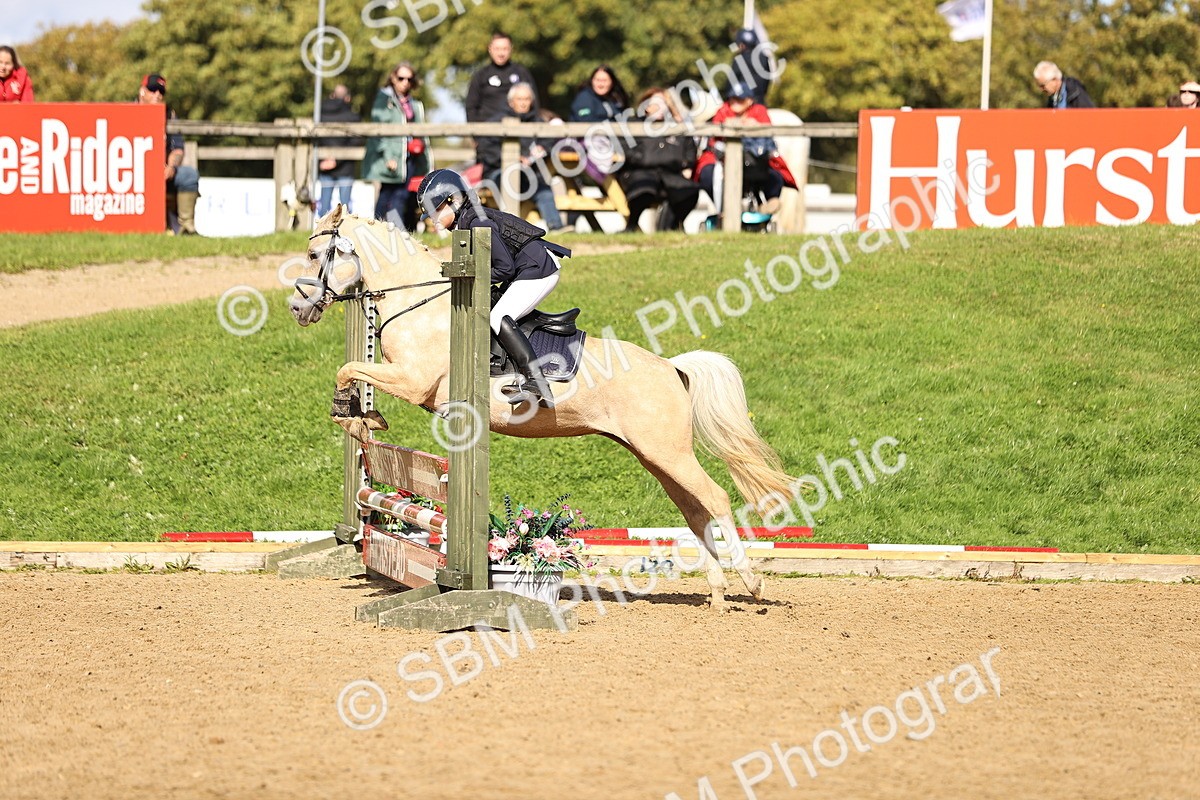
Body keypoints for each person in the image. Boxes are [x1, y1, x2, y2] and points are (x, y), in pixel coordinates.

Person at [415, 169, 570, 408]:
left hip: (539, 269)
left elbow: (504, 268)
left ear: (452, 201)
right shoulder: (466, 221)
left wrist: (470, 278)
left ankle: (536, 381)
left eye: (435, 211)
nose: (431, 218)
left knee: (499, 316)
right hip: (526, 268)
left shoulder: (477, 222)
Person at [476, 82, 569, 233]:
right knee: (508, 181)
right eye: (520, 99)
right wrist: (514, 159)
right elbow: (486, 149)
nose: (523, 103)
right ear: (511, 102)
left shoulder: (538, 122)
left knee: (544, 190)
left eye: (526, 99)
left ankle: (556, 227)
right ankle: (509, 230)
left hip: (528, 175)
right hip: (498, 172)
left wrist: (543, 148)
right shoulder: (496, 122)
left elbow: (549, 142)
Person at [695, 81, 795, 217]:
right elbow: (715, 136)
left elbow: (767, 136)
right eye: (732, 99)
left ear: (749, 101)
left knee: (775, 174)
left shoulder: (759, 111)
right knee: (707, 173)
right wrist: (728, 126)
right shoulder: (723, 111)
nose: (735, 102)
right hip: (722, 159)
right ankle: (725, 209)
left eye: (739, 99)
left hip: (753, 159)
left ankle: (769, 202)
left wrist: (756, 126)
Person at [617, 88, 699, 232]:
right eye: (655, 103)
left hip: (670, 175)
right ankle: (631, 226)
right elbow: (628, 153)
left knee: (688, 190)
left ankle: (670, 227)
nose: (660, 107)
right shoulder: (634, 124)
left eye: (664, 103)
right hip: (640, 175)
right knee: (644, 187)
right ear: (645, 106)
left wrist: (686, 166)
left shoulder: (677, 127)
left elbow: (689, 153)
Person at [362, 62, 430, 227]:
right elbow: (379, 129)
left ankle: (395, 231)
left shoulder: (413, 103)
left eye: (409, 78)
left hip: (409, 157)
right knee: (388, 194)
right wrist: (388, 156)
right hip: (392, 157)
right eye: (401, 78)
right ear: (393, 78)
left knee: (402, 195)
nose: (405, 82)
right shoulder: (384, 99)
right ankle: (380, 228)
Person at [137, 74, 200, 235]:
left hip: (163, 172)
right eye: (152, 90)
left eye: (161, 91)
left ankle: (186, 228)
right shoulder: (128, 111)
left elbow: (177, 148)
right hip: (133, 175)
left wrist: (171, 166)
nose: (157, 94)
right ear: (142, 91)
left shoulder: (169, 114)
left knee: (189, 175)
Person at [465, 32, 539, 122]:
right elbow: (471, 107)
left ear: (511, 49)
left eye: (505, 49)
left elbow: (534, 103)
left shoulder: (521, 73)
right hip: (488, 130)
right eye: (497, 49)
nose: (501, 53)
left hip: (519, 128)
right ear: (490, 49)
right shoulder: (481, 76)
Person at [316, 85, 362, 217]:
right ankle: (344, 235)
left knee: (324, 208)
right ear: (347, 98)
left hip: (324, 164)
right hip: (345, 166)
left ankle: (322, 235)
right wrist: (337, 160)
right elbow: (355, 142)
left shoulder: (320, 115)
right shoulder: (353, 116)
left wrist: (323, 159)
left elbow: (316, 141)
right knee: (345, 209)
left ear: (332, 95)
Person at [730, 28, 774, 105]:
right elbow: (767, 81)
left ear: (741, 44)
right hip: (760, 102)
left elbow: (731, 83)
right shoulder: (764, 58)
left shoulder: (739, 59)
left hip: (741, 102)